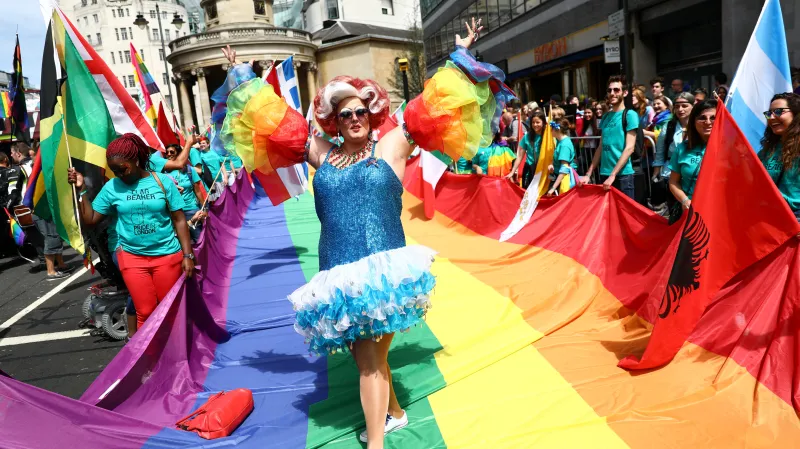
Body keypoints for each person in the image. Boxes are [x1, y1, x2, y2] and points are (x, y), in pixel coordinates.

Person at [68, 133, 196, 330]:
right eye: (114, 170)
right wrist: (82, 190)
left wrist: (187, 255)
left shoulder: (162, 181)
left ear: (136, 160)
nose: (119, 174)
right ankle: (147, 357)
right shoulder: (112, 187)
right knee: (145, 311)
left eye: (122, 169)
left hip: (167, 255)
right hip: (132, 257)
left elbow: (179, 220)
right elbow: (90, 219)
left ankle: (175, 355)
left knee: (169, 309)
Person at [582, 75, 638, 199]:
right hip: (604, 174)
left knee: (625, 216)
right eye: (609, 90)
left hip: (623, 176)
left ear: (625, 93)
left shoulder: (630, 115)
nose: (612, 93)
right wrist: (588, 174)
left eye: (616, 90)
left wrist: (613, 175)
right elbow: (600, 147)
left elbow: (629, 148)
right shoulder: (606, 117)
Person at [668, 100, 717, 212]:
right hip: (692, 212)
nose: (708, 122)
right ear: (694, 122)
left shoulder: (731, 149)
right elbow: (673, 182)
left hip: (720, 213)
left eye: (713, 118)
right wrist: (684, 200)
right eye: (702, 118)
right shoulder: (682, 148)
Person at [759, 93, 800, 220]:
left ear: (796, 114)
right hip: (770, 218)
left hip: (796, 219)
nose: (771, 117)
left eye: (778, 111)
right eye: (769, 113)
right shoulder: (767, 150)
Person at [652, 92, 694, 212]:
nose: (680, 109)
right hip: (670, 173)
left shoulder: (699, 125)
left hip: (692, 174)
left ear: (693, 106)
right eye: (677, 106)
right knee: (674, 211)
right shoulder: (669, 126)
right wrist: (656, 174)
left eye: (684, 106)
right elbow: (660, 151)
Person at [165, 143, 207, 242]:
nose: (169, 154)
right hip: (175, 213)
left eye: (172, 152)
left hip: (191, 210)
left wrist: (204, 209)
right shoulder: (163, 172)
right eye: (167, 153)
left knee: (200, 240)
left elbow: (198, 191)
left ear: (179, 154)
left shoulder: (189, 170)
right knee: (184, 242)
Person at [508, 109, 546, 188]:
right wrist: (512, 172)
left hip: (544, 170)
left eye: (538, 122)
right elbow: (519, 157)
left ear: (543, 123)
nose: (535, 125)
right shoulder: (527, 137)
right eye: (533, 122)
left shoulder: (548, 136)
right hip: (530, 169)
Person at [547, 117, 578, 195]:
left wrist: (553, 188)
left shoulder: (564, 145)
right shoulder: (559, 141)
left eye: (551, 129)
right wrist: (552, 164)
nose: (550, 131)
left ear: (557, 130)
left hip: (565, 180)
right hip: (560, 177)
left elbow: (564, 168)